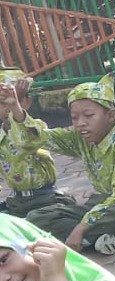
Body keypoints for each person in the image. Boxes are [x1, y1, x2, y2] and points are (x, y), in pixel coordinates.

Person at [7, 73, 115, 254]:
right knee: (37, 217)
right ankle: (106, 236)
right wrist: (16, 108)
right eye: (75, 117)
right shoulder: (80, 138)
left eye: (88, 115)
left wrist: (81, 227)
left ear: (110, 115)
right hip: (100, 203)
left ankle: (90, 236)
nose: (80, 123)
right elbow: (38, 138)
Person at [0, 67, 76, 217]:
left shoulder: (36, 127)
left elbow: (28, 140)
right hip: (18, 201)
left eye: (17, 100)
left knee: (36, 218)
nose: (9, 106)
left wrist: (16, 107)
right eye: (2, 102)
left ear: (28, 102)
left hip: (45, 199)